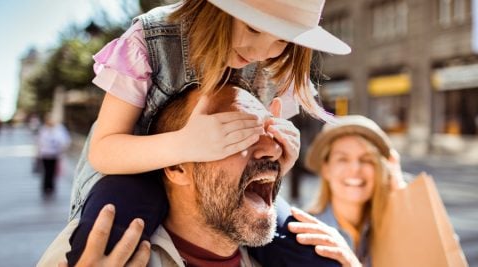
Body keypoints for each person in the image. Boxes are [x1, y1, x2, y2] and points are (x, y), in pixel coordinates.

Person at [64, 0, 351, 264]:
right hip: (130, 172)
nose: (261, 52)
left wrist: (275, 156)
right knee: (102, 240)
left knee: (313, 251)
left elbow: (251, 156)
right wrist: (185, 144)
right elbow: (103, 150)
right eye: (252, 28)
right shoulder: (151, 39)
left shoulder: (275, 65)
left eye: (281, 39)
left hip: (218, 185)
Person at [44, 84, 360, 266]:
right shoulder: (93, 255)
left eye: (270, 132)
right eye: (236, 133)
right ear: (177, 165)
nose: (273, 150)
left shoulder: (301, 259)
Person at [302, 115, 408, 265]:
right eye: (342, 159)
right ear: (326, 169)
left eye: (366, 159)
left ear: (380, 170)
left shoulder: (392, 229)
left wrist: (401, 195)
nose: (355, 169)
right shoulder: (305, 233)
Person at [37, 115, 71, 198]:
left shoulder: (58, 129)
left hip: (54, 154)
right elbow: (39, 142)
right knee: (46, 171)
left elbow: (65, 140)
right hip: (45, 155)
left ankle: (51, 187)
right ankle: (46, 187)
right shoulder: (43, 130)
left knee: (52, 172)